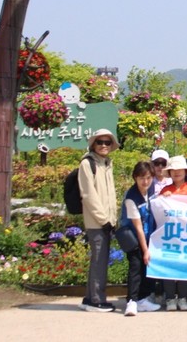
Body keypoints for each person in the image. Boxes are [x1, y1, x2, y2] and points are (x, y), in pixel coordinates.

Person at [78, 129, 118, 312]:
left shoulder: (107, 164)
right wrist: (104, 219)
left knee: (100, 259)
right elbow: (88, 195)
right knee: (99, 260)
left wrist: (113, 219)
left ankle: (89, 297)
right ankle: (96, 300)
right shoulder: (88, 164)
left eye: (107, 142)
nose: (103, 145)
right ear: (93, 144)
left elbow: (110, 194)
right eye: (100, 142)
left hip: (106, 221)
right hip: (97, 221)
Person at [158, 155, 187, 311]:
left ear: (185, 171)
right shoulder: (165, 190)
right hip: (170, 234)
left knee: (184, 264)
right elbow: (159, 209)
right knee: (169, 264)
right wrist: (163, 198)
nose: (176, 172)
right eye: (173, 170)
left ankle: (182, 298)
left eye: (179, 169)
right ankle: (170, 298)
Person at [121, 162, 160, 316]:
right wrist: (145, 250)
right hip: (134, 237)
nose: (145, 181)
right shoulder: (131, 197)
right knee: (136, 267)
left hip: (149, 234)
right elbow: (137, 226)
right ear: (135, 178)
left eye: (149, 178)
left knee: (147, 268)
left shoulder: (151, 190)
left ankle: (143, 299)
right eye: (141, 178)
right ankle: (131, 301)